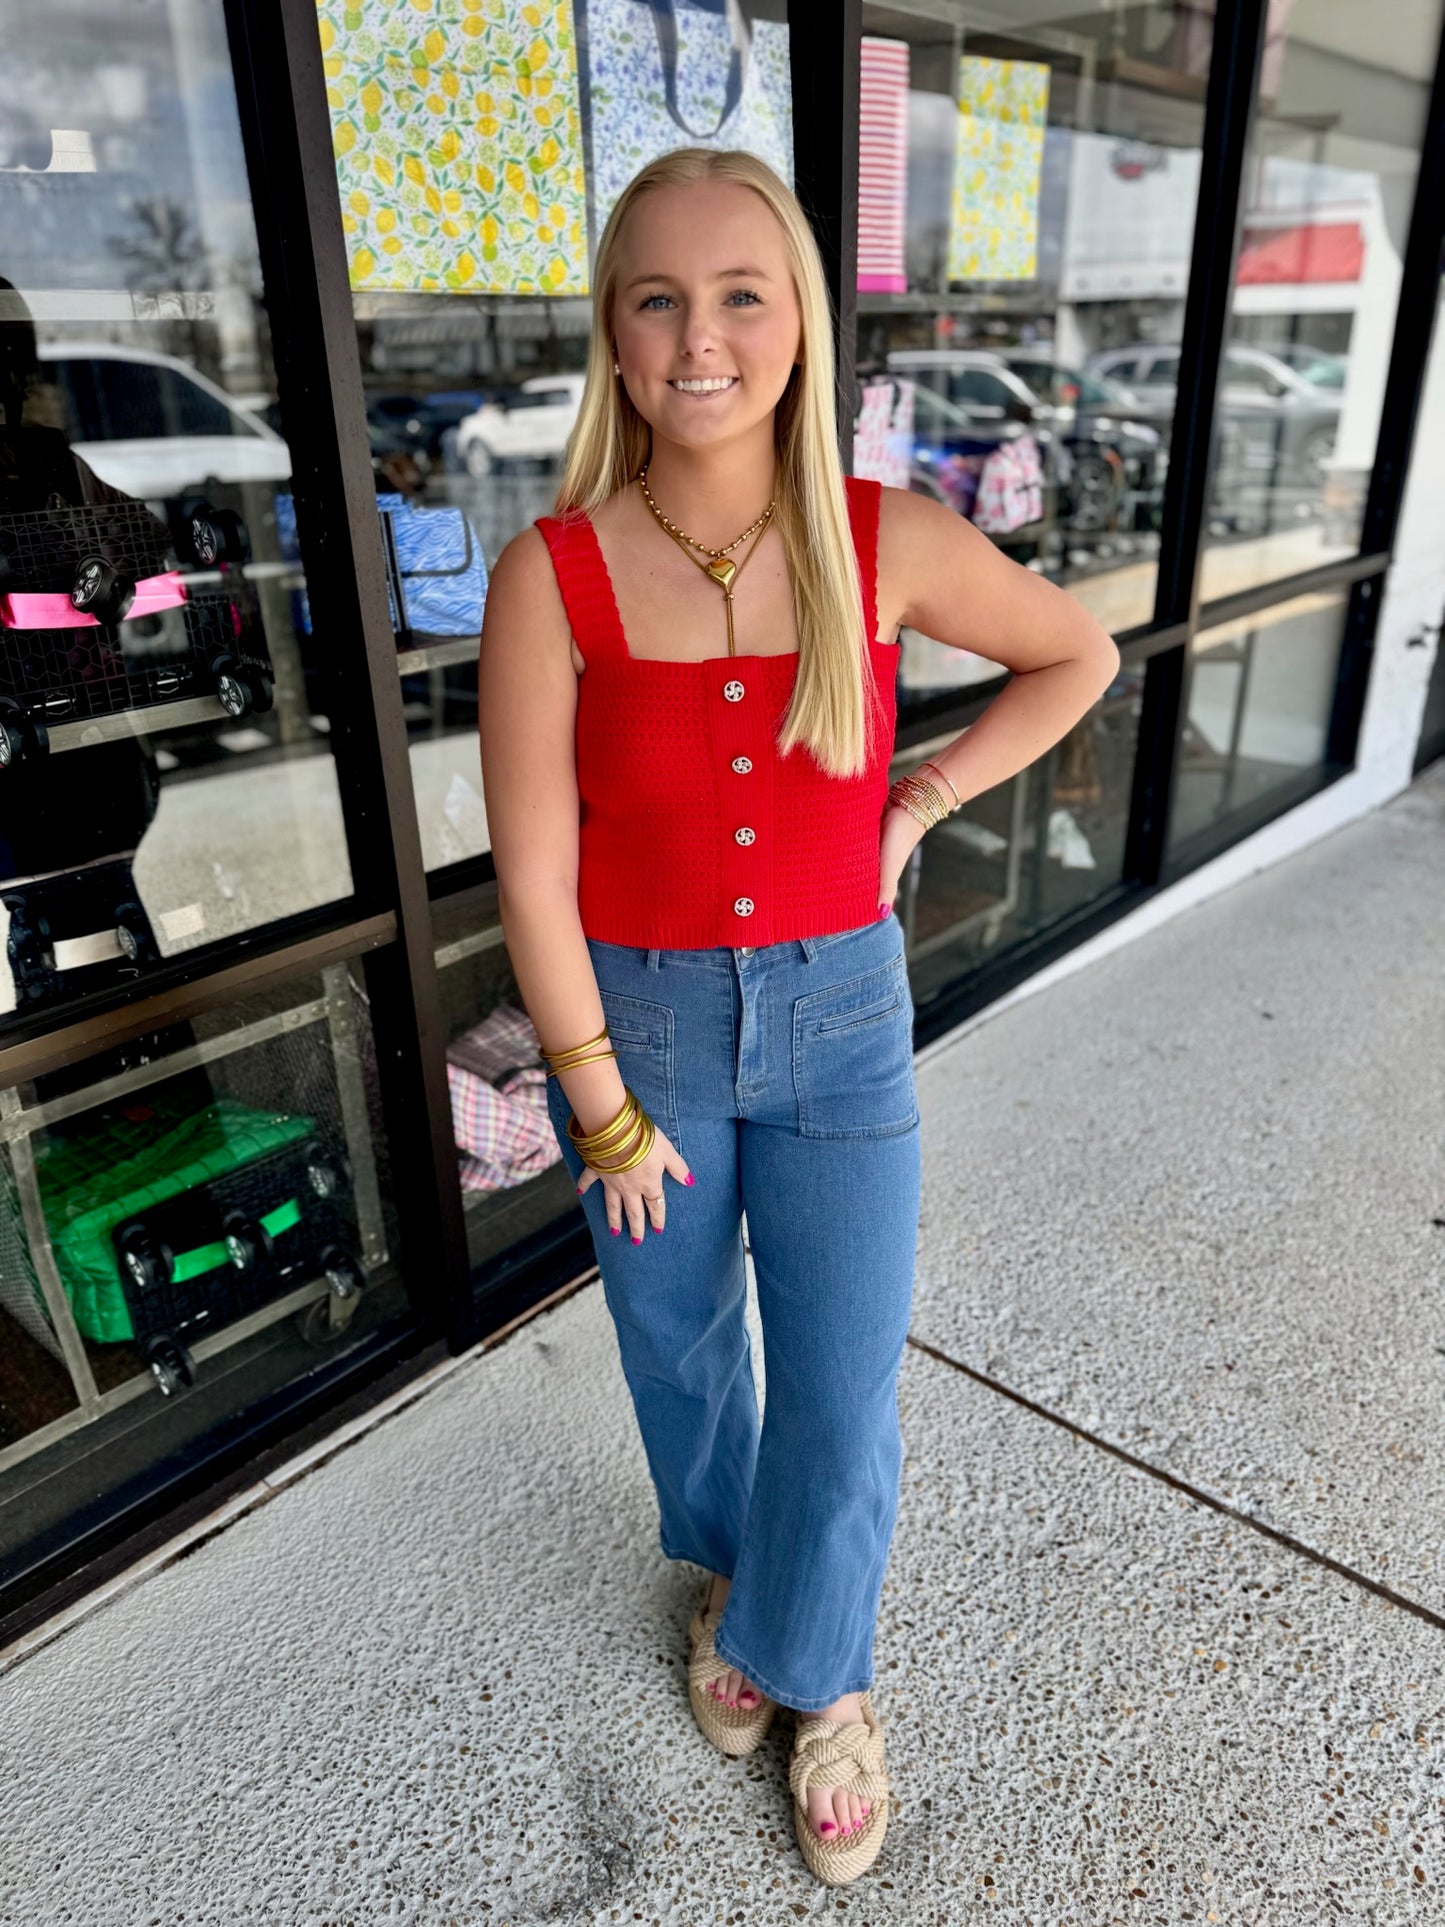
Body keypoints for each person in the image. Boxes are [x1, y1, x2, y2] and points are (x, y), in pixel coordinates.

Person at [477, 147, 1119, 1888]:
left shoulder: (877, 536)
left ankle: (821, 1675)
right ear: (614, 338)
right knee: (681, 1361)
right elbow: (534, 877)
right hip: (646, 1039)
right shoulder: (554, 574)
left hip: (840, 1022)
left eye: (742, 292)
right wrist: (596, 1101)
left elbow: (1077, 655)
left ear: (799, 323)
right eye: (659, 298)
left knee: (840, 1390)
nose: (703, 334)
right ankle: (731, 1578)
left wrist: (916, 803)